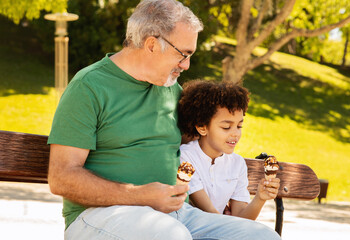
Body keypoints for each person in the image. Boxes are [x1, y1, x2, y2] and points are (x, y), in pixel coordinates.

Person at [47, 0, 281, 239]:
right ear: (151, 45)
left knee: (263, 237)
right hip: (100, 216)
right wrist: (141, 195)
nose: (186, 65)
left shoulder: (172, 90)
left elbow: (202, 139)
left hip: (175, 215)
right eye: (183, 54)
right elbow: (62, 178)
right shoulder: (89, 86)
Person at [178, 80, 280, 219]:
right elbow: (208, 212)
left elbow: (242, 220)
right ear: (202, 127)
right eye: (226, 127)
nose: (235, 133)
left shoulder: (237, 164)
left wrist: (260, 198)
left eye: (239, 126)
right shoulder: (186, 157)